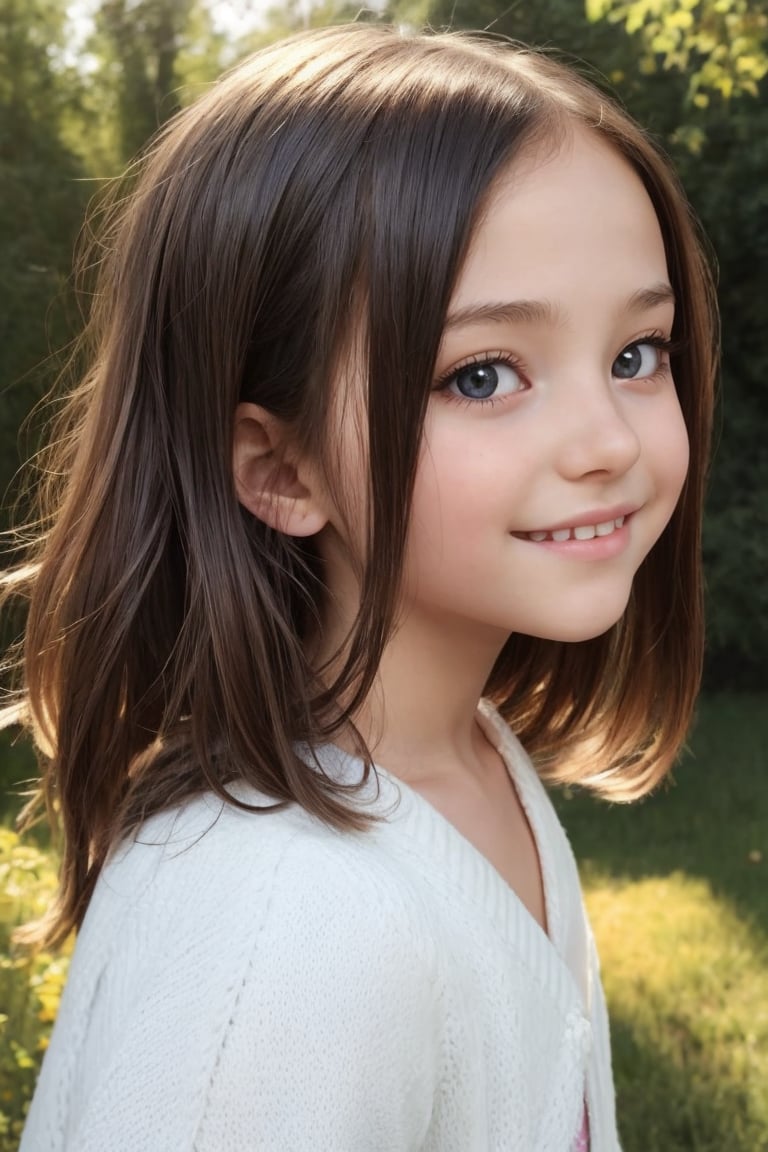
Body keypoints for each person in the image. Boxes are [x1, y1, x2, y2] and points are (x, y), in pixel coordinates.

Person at [3, 23, 717, 1152]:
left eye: (638, 352)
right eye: (483, 375)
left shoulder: (471, 760)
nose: (607, 439)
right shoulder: (283, 927)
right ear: (281, 469)